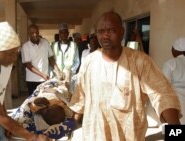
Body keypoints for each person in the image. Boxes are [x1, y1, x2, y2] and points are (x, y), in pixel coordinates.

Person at [69, 11, 181, 141]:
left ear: (122, 32)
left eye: (111, 30)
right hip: (94, 135)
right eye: (101, 31)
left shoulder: (140, 61)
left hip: (129, 136)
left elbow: (162, 94)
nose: (105, 35)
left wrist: (177, 133)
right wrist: (69, 125)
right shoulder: (89, 62)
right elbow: (80, 98)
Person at [21, 24, 63, 95]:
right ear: (29, 34)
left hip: (45, 79)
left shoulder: (45, 42)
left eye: (36, 32)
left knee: (45, 99)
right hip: (32, 80)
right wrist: (42, 75)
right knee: (34, 101)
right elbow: (28, 65)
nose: (35, 34)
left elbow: (51, 58)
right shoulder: (25, 46)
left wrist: (57, 70)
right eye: (32, 33)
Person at [163, 37, 185, 124]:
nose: (171, 50)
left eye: (173, 48)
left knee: (175, 130)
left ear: (178, 50)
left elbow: (164, 85)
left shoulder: (170, 63)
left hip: (176, 100)